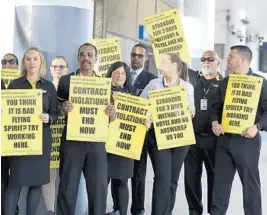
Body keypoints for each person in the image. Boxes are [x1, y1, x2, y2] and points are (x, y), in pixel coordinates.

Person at [56, 43, 115, 215]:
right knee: (67, 187)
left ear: (96, 59)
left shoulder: (104, 83)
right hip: (72, 141)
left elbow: (111, 116)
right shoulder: (67, 80)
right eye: (82, 54)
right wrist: (63, 108)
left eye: (90, 55)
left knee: (98, 190)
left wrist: (112, 113)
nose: (86, 58)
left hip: (96, 142)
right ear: (77, 58)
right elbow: (58, 108)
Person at [210, 45, 267, 215]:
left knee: (250, 185)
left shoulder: (260, 83)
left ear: (242, 60)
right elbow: (215, 107)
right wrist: (214, 122)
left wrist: (257, 127)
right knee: (219, 185)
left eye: (230, 57)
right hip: (224, 140)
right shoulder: (225, 83)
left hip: (247, 140)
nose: (227, 59)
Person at [3, 47, 58, 215]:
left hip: (42, 141)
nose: (31, 62)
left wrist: (48, 118)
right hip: (20, 141)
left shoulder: (48, 86)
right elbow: (7, 110)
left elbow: (55, 113)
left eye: (35, 59)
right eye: (28, 59)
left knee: (37, 183)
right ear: (24, 63)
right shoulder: (14, 84)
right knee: (15, 183)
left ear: (41, 61)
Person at [141, 53, 195, 215]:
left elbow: (190, 111)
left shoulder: (187, 87)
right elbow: (142, 105)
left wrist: (192, 110)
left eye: (163, 61)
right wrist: (146, 117)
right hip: (159, 137)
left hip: (180, 139)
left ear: (174, 65)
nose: (159, 64)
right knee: (162, 178)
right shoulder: (154, 84)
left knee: (172, 180)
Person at [184, 50, 222, 215]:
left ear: (218, 63)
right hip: (192, 138)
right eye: (204, 59)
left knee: (215, 179)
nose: (207, 62)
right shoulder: (191, 80)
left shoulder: (225, 83)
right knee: (191, 179)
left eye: (211, 59)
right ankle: (194, 211)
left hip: (214, 140)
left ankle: (214, 211)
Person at [130, 43, 157, 215]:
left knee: (138, 174)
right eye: (134, 54)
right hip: (122, 131)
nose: (136, 58)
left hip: (142, 132)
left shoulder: (152, 79)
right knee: (120, 172)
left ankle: (138, 208)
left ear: (146, 59)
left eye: (140, 55)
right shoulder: (122, 74)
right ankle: (118, 206)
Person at [105, 61, 134, 215]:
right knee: (103, 181)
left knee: (122, 181)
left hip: (124, 143)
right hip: (105, 144)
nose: (119, 75)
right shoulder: (102, 93)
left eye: (123, 73)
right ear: (110, 74)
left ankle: (122, 211)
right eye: (116, 72)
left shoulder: (132, 95)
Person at [1, 53, 20, 215]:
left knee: (15, 176)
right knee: (2, 176)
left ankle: (13, 209)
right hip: (2, 137)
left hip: (17, 138)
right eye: (4, 62)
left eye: (11, 61)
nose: (7, 64)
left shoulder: (21, 84)